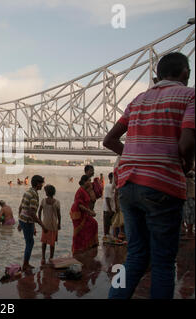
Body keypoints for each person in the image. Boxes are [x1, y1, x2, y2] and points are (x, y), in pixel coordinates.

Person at [104, 52, 195, 299]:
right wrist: (185, 164)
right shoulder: (191, 95)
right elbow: (187, 143)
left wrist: (136, 156)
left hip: (128, 186)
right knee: (164, 263)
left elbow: (109, 140)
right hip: (163, 187)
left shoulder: (137, 99)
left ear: (157, 76)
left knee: (135, 256)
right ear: (185, 73)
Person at [17, 175, 48, 271]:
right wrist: (42, 225)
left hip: (23, 220)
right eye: (41, 183)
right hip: (26, 221)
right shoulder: (34, 195)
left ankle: (26, 263)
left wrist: (20, 222)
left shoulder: (28, 191)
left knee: (29, 242)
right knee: (30, 243)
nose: (42, 185)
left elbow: (21, 207)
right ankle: (25, 264)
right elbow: (32, 213)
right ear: (38, 184)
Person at [70, 175, 99, 255]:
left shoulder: (85, 190)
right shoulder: (80, 191)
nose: (90, 182)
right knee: (78, 232)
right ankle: (76, 250)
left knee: (93, 224)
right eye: (89, 181)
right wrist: (89, 211)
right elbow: (79, 205)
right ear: (85, 181)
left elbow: (90, 201)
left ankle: (87, 246)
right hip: (78, 214)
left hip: (84, 213)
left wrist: (90, 211)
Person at [37, 184, 61, 264]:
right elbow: (59, 215)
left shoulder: (44, 201)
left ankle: (43, 257)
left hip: (45, 225)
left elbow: (39, 211)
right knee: (52, 243)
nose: (45, 192)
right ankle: (51, 258)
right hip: (53, 225)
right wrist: (59, 224)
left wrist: (40, 221)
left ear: (48, 192)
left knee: (44, 242)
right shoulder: (57, 202)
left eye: (46, 191)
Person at [182, 169, 195, 240]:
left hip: (189, 197)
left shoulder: (190, 174)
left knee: (189, 214)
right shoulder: (189, 174)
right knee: (189, 214)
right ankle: (188, 232)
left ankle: (189, 232)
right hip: (188, 197)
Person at [102, 173, 115, 241]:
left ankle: (109, 239)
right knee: (106, 226)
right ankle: (106, 239)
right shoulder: (108, 186)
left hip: (112, 209)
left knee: (111, 226)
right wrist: (110, 210)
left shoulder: (113, 186)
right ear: (110, 178)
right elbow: (107, 199)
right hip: (108, 209)